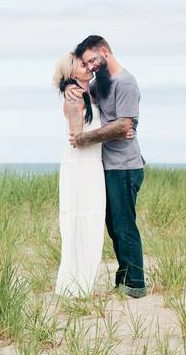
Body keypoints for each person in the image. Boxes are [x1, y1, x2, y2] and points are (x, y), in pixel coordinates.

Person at [66, 35, 147, 298]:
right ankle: (123, 279)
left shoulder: (126, 82)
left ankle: (135, 283)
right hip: (108, 165)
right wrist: (67, 86)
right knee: (114, 225)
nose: (90, 67)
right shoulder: (102, 83)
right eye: (87, 64)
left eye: (92, 61)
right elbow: (84, 95)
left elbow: (124, 125)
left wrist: (85, 138)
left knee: (124, 225)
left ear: (104, 52)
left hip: (125, 165)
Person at [52, 52, 134, 297]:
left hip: (92, 165)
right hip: (81, 166)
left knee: (92, 221)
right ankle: (76, 284)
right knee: (82, 219)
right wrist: (116, 132)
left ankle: (83, 282)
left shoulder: (88, 93)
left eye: (88, 63)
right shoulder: (76, 97)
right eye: (81, 64)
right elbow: (78, 138)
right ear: (70, 71)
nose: (88, 67)